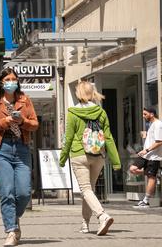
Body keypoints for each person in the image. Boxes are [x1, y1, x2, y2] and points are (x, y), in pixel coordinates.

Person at [0, 67, 38, 247]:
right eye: (8, 79)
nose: (11, 81)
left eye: (14, 79)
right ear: (2, 82)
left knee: (24, 192)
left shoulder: (24, 100)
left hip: (21, 148)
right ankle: (11, 230)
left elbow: (35, 124)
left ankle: (13, 217)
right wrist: (2, 123)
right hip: (0, 148)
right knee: (7, 191)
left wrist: (23, 122)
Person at [60, 81, 120, 236]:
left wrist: (62, 157)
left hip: (79, 154)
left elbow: (68, 138)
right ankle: (85, 224)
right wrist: (115, 161)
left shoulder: (73, 113)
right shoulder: (101, 112)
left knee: (85, 190)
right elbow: (109, 138)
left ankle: (102, 215)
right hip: (98, 155)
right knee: (89, 191)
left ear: (78, 93)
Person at [130, 106, 162, 209]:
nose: (143, 116)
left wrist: (146, 150)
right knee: (133, 169)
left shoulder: (158, 125)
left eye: (145, 114)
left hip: (153, 156)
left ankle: (146, 201)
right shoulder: (152, 124)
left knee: (150, 177)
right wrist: (146, 135)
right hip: (146, 155)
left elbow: (160, 141)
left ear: (152, 114)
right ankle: (153, 173)